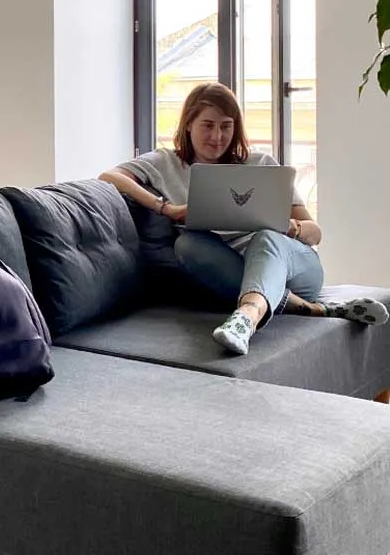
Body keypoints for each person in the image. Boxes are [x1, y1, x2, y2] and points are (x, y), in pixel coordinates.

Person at [99, 82, 388, 355]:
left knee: (265, 239)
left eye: (226, 126)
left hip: (293, 267)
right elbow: (110, 176)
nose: (217, 137)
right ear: (188, 124)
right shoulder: (165, 163)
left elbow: (316, 233)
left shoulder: (260, 164)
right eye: (208, 125)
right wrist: (166, 208)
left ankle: (246, 318)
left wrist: (290, 228)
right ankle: (317, 310)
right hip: (229, 270)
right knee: (187, 245)